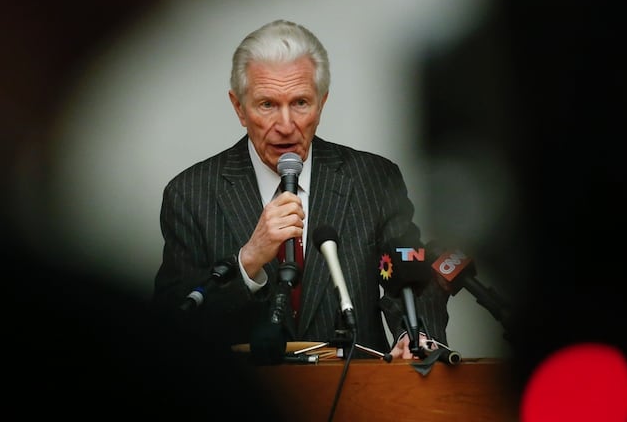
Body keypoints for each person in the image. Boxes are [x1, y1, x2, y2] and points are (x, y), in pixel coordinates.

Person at [152, 19, 450, 361]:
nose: (285, 125)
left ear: (321, 104)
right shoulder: (191, 194)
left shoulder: (373, 179)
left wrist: (414, 336)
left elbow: (412, 275)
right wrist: (248, 260)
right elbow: (172, 319)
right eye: (267, 105)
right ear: (239, 108)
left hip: (357, 393)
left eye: (300, 103)